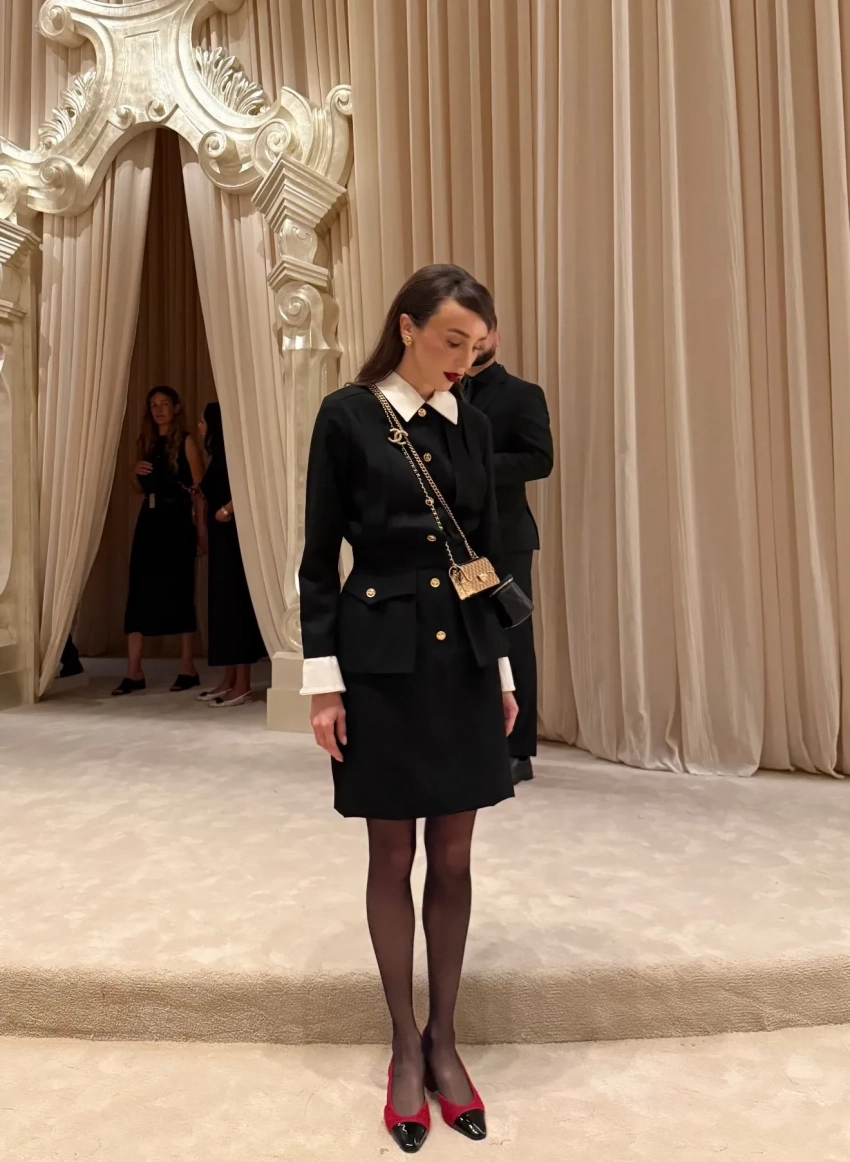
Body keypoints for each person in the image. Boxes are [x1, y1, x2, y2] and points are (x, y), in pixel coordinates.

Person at [300, 264, 518, 1154]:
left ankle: (445, 1039)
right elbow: (318, 559)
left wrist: (501, 671)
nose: (463, 360)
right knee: (392, 855)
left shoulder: (475, 424)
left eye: (477, 348)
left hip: (463, 661)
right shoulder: (347, 416)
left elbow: (484, 556)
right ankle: (402, 1044)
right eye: (451, 340)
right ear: (407, 327)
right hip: (379, 662)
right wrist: (322, 681)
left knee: (455, 856)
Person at [463, 329, 553, 783]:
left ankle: (518, 752)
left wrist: (475, 465)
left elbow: (540, 460)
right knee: (465, 635)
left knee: (511, 637)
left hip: (506, 539)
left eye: (481, 336)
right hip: (459, 539)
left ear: (495, 337)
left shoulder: (522, 394)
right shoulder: (440, 392)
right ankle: (473, 739)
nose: (473, 344)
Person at [113, 386, 206, 696]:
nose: (159, 410)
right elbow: (140, 487)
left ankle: (187, 667)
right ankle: (134, 671)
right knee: (138, 591)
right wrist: (133, 471)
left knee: (180, 590)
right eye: (153, 404)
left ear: (175, 407)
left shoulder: (187, 441)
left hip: (176, 521)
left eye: (165, 403)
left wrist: (201, 530)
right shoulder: (146, 441)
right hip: (149, 521)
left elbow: (199, 490)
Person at [197, 402, 266, 707]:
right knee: (223, 607)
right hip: (220, 539)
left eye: (203, 422)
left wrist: (227, 510)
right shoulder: (218, 456)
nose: (199, 427)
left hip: (233, 539)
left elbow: (248, 486)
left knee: (235, 607)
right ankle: (228, 679)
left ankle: (243, 684)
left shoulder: (231, 456)